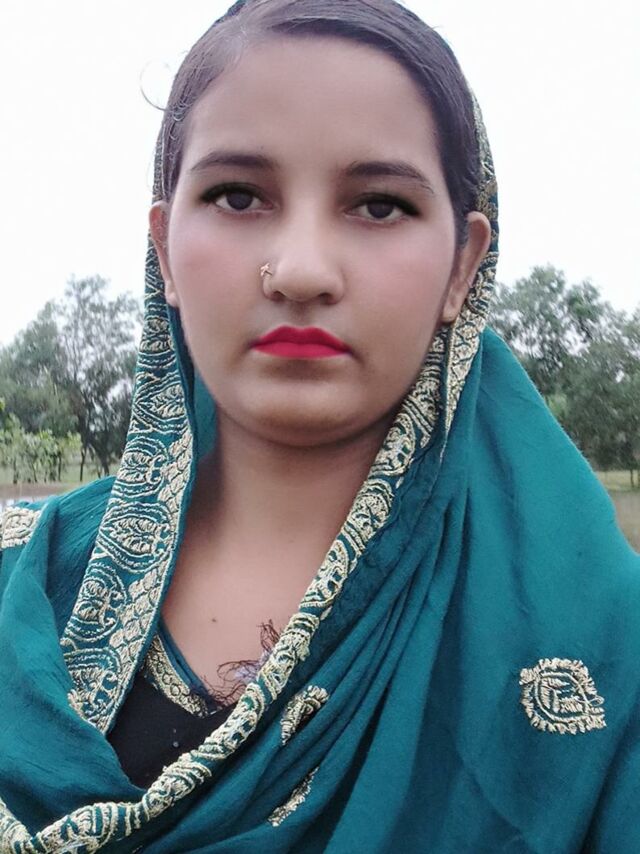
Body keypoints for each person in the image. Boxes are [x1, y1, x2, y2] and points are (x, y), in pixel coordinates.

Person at [1, 0, 638, 850]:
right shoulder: (23, 585)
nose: (301, 271)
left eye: (378, 206)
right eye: (237, 196)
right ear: (164, 251)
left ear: (464, 264)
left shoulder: (599, 640)